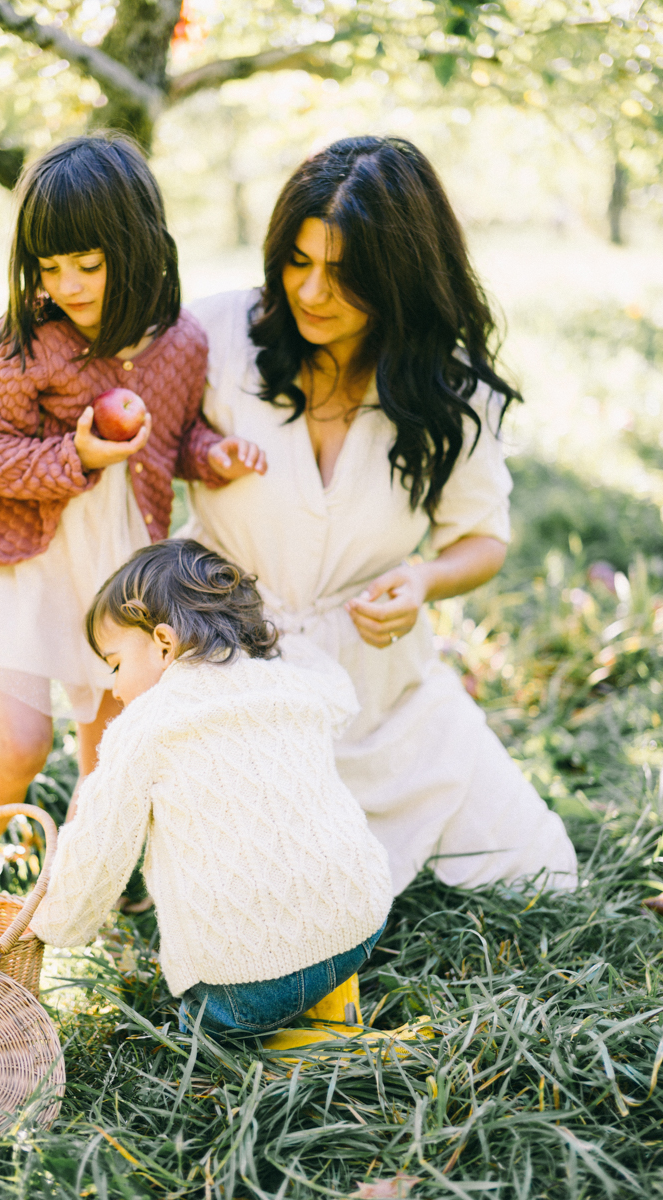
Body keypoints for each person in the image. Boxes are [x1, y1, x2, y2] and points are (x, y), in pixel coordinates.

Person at [183, 135, 578, 898]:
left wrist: (422, 579)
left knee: (542, 873)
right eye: (298, 262)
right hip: (233, 673)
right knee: (268, 900)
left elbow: (482, 538)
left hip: (379, 690)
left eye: (344, 273)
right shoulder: (218, 336)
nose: (311, 293)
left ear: (399, 277)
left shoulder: (449, 388)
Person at [0, 133, 266, 892]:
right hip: (24, 564)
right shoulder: (27, 341)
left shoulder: (181, 342)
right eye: (49, 264)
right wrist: (76, 460)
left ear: (136, 249)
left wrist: (211, 455)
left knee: (108, 749)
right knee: (22, 740)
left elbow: (168, 437)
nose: (65, 284)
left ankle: (75, 891)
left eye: (87, 265)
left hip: (116, 572)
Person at [30, 539, 393, 1038]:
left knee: (199, 1037)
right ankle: (332, 993)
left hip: (245, 987)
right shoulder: (290, 682)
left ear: (163, 643)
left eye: (115, 664)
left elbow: (98, 849)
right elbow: (341, 695)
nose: (114, 688)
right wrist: (287, 640)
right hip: (360, 923)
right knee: (316, 924)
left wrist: (47, 924)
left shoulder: (147, 726)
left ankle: (313, 1047)